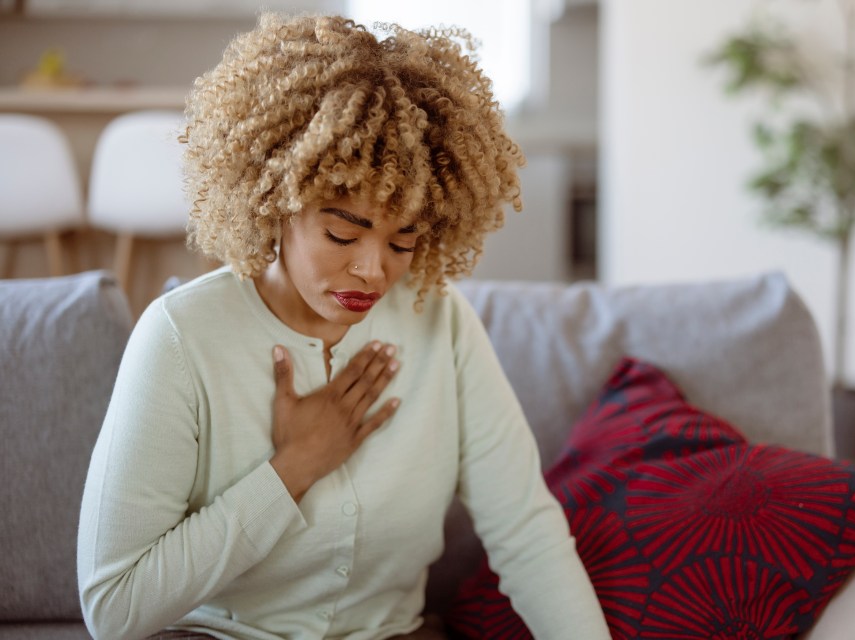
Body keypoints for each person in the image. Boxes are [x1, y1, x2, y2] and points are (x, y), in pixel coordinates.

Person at [77, 12, 611, 640]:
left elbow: (526, 532)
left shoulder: (441, 323)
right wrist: (294, 469)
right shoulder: (180, 336)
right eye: (341, 232)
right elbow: (113, 608)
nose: (372, 270)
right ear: (274, 198)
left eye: (403, 240)